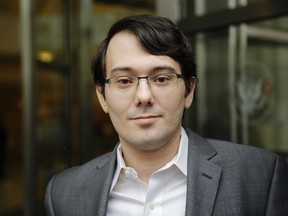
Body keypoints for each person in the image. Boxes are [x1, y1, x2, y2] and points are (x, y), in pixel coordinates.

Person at [45, 14, 288, 216]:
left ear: (189, 90)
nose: (143, 96)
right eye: (124, 80)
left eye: (161, 78)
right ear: (101, 96)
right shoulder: (64, 194)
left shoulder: (259, 176)